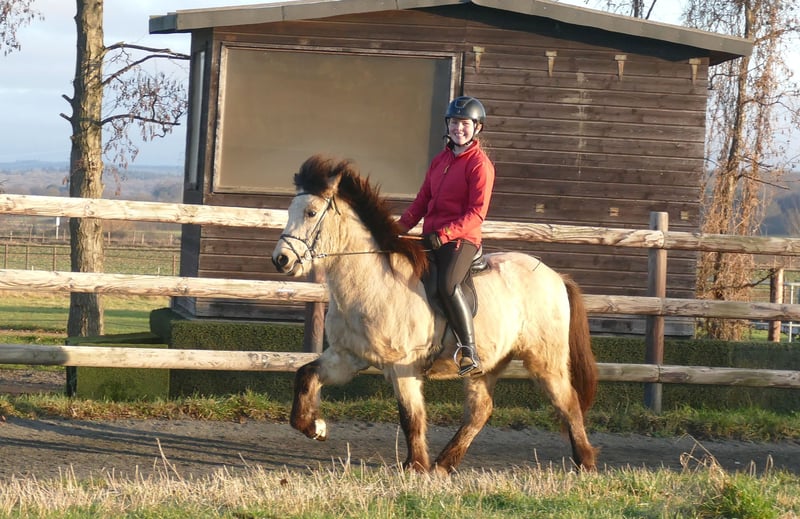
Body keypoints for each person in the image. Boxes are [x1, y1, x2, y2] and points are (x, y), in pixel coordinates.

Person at [397, 95, 496, 376]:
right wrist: (396, 230)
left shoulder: (480, 165)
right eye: (454, 122)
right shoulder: (439, 161)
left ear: (477, 127)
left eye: (464, 123)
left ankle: (469, 351)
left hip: (461, 240)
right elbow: (421, 202)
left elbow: (477, 213)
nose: (458, 128)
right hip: (432, 237)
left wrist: (444, 234)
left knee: (448, 284)